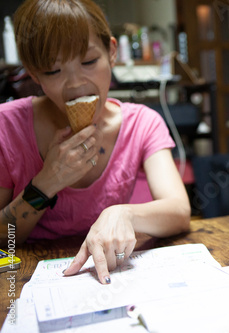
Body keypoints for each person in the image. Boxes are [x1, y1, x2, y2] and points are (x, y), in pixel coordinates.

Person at [0, 0, 191, 284]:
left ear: (112, 52)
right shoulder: (7, 126)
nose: (75, 84)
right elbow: (4, 238)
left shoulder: (142, 123)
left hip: (107, 274)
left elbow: (179, 210)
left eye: (89, 62)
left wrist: (125, 214)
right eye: (53, 71)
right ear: (34, 73)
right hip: (27, 280)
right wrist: (47, 182)